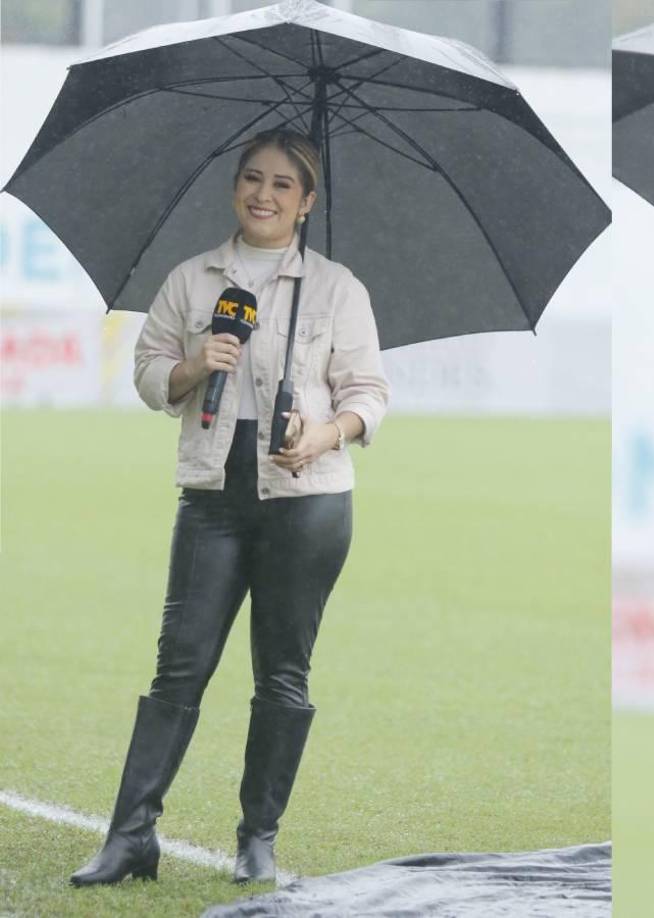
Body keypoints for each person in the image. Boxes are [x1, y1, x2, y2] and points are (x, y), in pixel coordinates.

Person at [70, 128, 390, 887]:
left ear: (307, 203)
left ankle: (258, 841)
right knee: (179, 667)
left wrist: (322, 433)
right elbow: (149, 373)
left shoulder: (339, 289)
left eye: (284, 184)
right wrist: (191, 363)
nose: (264, 194)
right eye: (253, 178)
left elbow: (369, 396)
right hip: (213, 496)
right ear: (234, 187)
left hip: (308, 501)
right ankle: (130, 838)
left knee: (283, 673)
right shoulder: (192, 280)